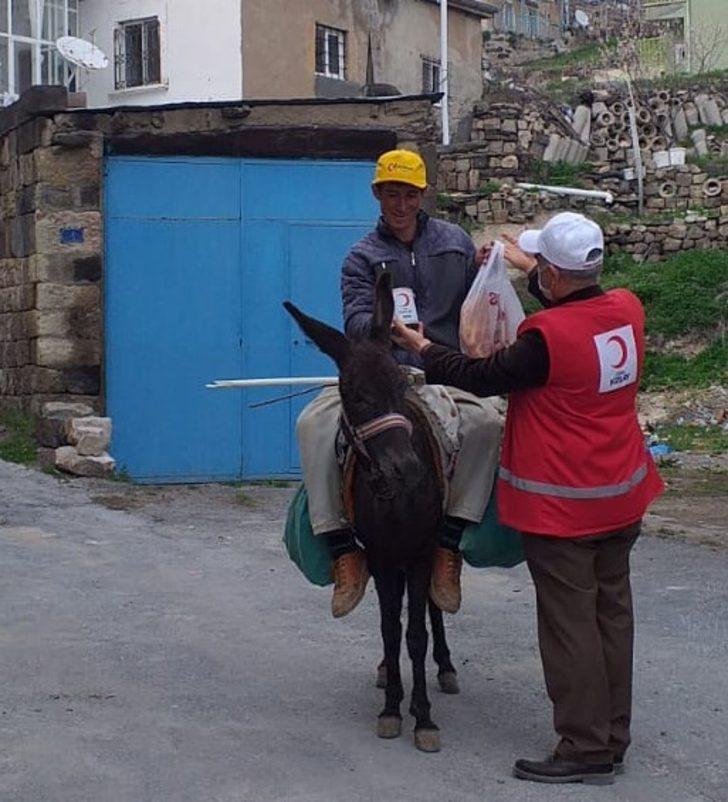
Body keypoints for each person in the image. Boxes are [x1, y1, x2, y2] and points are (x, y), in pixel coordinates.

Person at [392, 212, 664, 785]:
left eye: (540, 268)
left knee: (570, 627)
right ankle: (613, 735)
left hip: (567, 507)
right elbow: (575, 321)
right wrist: (525, 267)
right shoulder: (626, 309)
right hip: (622, 496)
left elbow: (481, 374)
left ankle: (584, 748)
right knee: (611, 615)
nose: (533, 273)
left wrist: (421, 346)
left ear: (555, 279)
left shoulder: (544, 340)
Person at [296, 149, 503, 619]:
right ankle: (342, 547)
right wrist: (387, 329)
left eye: (409, 194)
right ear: (377, 194)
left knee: (488, 423)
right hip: (381, 377)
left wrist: (490, 266)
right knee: (313, 425)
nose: (401, 203)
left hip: (443, 372)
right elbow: (355, 319)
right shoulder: (361, 257)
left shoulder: (455, 243)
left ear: (423, 195)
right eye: (392, 193)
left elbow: (480, 301)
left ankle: (449, 544)